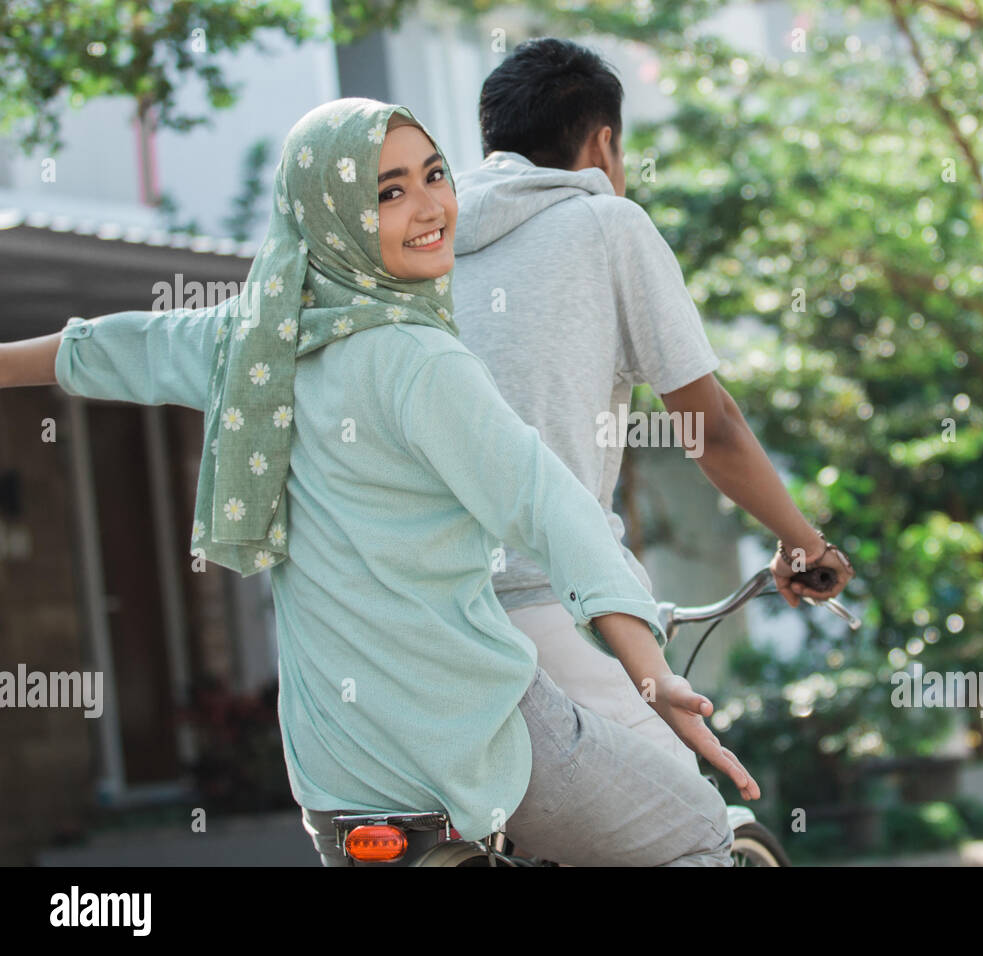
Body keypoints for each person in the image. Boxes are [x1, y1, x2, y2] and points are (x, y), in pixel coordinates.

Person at [0, 97, 756, 866]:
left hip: (341, 774)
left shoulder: (251, 342)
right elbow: (551, 509)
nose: (430, 207)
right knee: (697, 827)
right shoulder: (418, 360)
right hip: (478, 737)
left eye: (434, 174)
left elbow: (108, 346)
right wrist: (652, 675)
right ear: (333, 216)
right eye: (387, 192)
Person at [453, 38, 856, 768]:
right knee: (690, 827)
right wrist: (804, 544)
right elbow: (713, 428)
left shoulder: (423, 243)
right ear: (604, 141)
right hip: (556, 599)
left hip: (419, 614)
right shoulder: (608, 223)